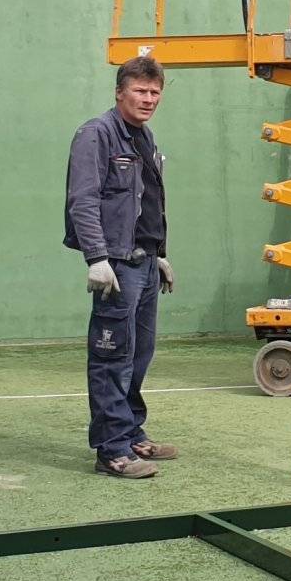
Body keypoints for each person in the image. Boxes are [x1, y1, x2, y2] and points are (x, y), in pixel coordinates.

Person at [64, 56, 180, 479]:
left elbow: (147, 202)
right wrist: (96, 258)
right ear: (119, 92)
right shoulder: (97, 135)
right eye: (140, 91)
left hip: (145, 262)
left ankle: (131, 433)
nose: (149, 99)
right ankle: (111, 450)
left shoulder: (144, 137)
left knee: (139, 355)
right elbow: (85, 199)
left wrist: (159, 253)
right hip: (117, 265)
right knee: (112, 356)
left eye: (155, 92)